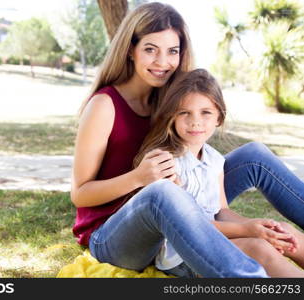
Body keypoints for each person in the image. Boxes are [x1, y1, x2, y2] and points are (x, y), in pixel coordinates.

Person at [71, 2, 304, 278]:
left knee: (254, 156)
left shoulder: (173, 99)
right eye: (150, 49)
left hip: (175, 210)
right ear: (130, 51)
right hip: (115, 234)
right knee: (162, 193)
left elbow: (204, 182)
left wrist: (257, 226)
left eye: (172, 51)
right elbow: (80, 193)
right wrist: (139, 178)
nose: (162, 62)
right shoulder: (104, 105)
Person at [140, 69, 304, 278]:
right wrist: (248, 230)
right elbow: (191, 228)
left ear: (219, 117)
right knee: (259, 248)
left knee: (282, 230)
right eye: (184, 112)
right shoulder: (167, 164)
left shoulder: (214, 160)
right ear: (172, 116)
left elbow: (222, 211)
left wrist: (259, 225)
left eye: (205, 112)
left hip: (215, 239)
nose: (195, 121)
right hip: (182, 255)